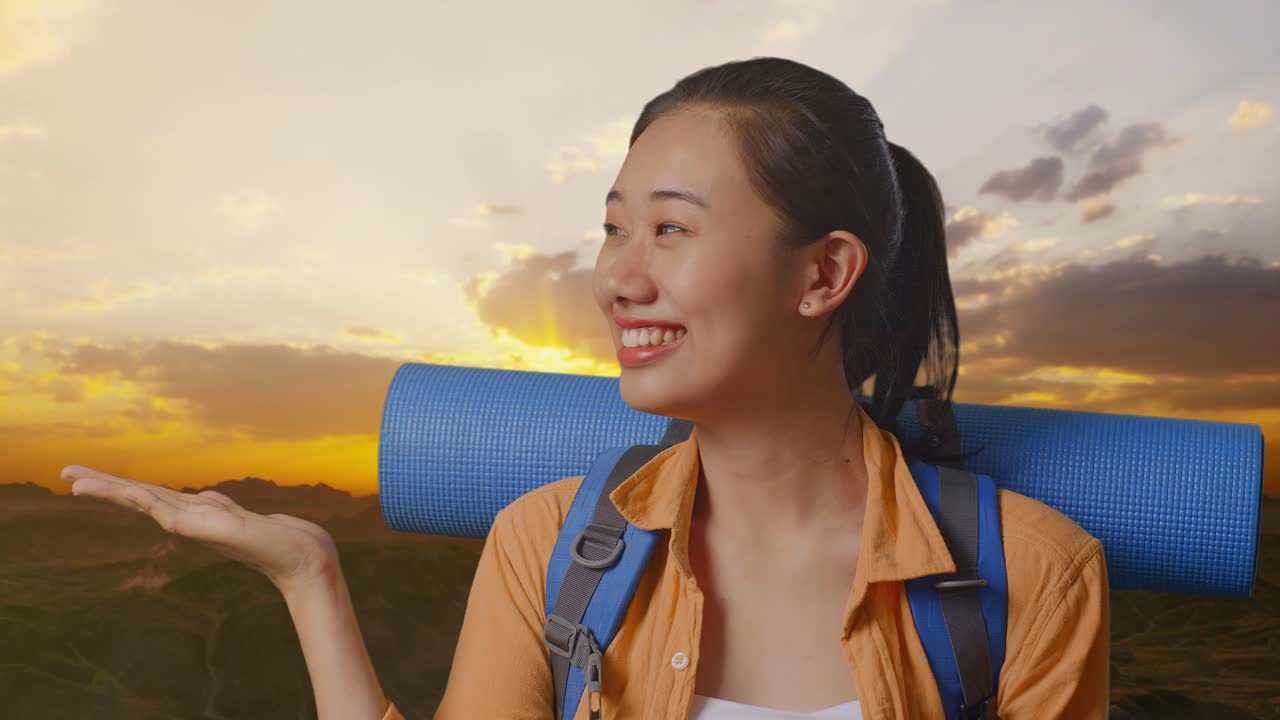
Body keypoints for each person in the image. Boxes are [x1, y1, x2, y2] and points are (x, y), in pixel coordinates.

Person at [62, 56, 1109, 720]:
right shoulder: (550, 548)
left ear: (822, 274)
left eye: (668, 228)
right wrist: (308, 579)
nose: (614, 277)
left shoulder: (1030, 580)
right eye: (612, 228)